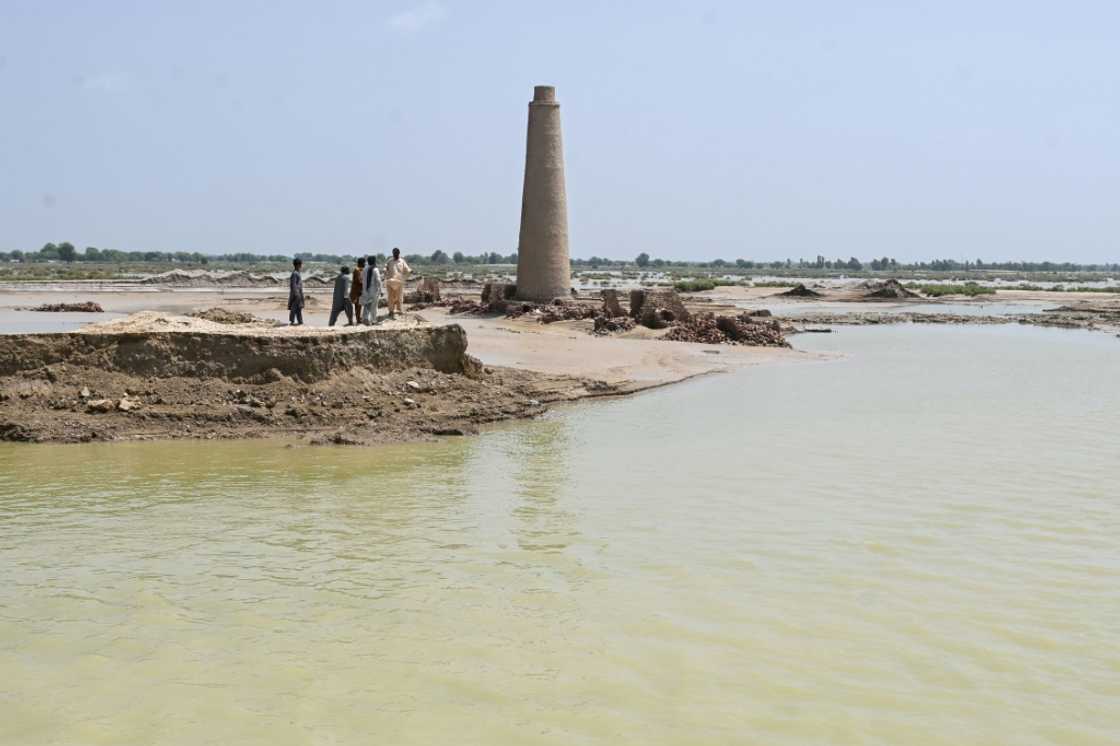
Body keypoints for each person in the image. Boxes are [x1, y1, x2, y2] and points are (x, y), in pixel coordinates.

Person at [384, 247, 411, 317]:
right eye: (394, 253)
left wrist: (409, 271)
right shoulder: (389, 261)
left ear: (398, 253)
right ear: (392, 253)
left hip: (399, 282)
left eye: (396, 253)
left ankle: (399, 310)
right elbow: (385, 267)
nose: (395, 254)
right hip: (391, 281)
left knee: (399, 297)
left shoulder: (402, 261)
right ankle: (391, 311)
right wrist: (385, 270)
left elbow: (407, 269)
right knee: (390, 297)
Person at [360, 255, 382, 325]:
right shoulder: (375, 269)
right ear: (375, 261)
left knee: (367, 305)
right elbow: (378, 281)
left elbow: (361, 278)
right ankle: (373, 320)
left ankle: (365, 318)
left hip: (365, 290)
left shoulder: (364, 269)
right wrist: (381, 290)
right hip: (374, 290)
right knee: (374, 306)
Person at [288, 258, 304, 325]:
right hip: (296, 294)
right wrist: (297, 295)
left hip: (298, 293)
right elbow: (294, 285)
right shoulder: (295, 274)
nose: (301, 266)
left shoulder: (297, 273)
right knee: (294, 308)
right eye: (301, 264)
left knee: (299, 308)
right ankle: (292, 321)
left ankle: (300, 321)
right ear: (298, 265)